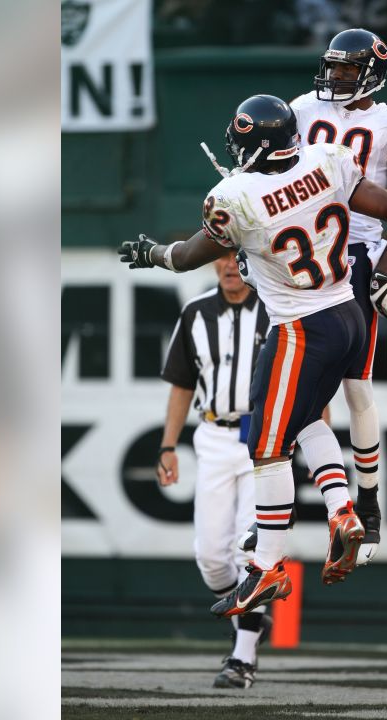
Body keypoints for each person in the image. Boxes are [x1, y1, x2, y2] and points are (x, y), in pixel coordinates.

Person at [119, 93, 387, 619]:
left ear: (255, 145)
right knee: (304, 422)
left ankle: (267, 568)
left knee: (266, 445)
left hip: (299, 328)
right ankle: (344, 511)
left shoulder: (235, 196)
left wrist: (151, 254)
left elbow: (189, 256)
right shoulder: (329, 160)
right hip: (348, 311)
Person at [286, 27, 387, 565]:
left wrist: (386, 270)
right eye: (334, 66)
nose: (338, 76)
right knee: (296, 387)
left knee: (355, 386)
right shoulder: (302, 108)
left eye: (348, 68)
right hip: (304, 255)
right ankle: (304, 504)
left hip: (357, 255)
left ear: (372, 70)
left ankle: (368, 501)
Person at [156, 249, 272, 689]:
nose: (227, 266)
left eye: (236, 257)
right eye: (220, 258)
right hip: (213, 437)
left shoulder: (276, 305)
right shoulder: (195, 312)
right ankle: (252, 617)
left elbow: (308, 381)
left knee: (251, 551)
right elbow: (183, 384)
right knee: (210, 558)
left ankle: (243, 657)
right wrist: (168, 445)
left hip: (265, 439)